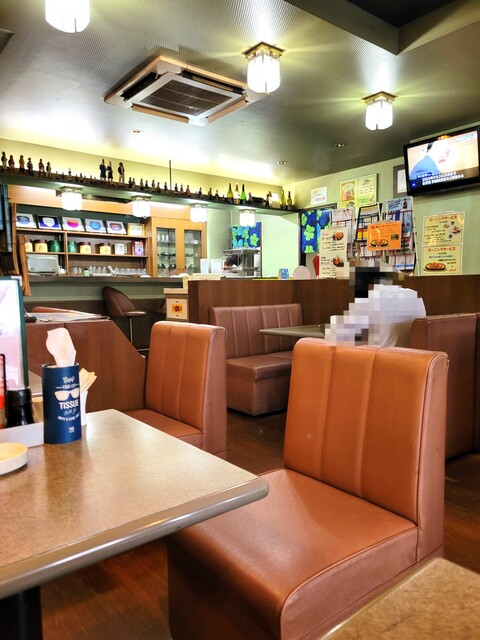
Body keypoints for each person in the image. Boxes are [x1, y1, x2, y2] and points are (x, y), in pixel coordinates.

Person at [324, 259, 426, 347]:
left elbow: (339, 337)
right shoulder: (415, 295)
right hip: (416, 358)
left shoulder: (370, 299)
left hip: (382, 358)